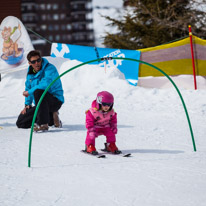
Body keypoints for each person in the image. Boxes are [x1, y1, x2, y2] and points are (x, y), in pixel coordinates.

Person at [16, 50, 64, 132]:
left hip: (54, 101)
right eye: (33, 62)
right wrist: (27, 104)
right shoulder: (31, 73)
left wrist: (29, 92)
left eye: (38, 60)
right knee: (21, 122)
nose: (37, 63)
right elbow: (28, 87)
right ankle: (51, 118)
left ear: (41, 59)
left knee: (38, 91)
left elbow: (45, 85)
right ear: (29, 63)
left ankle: (43, 123)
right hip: (41, 105)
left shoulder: (50, 68)